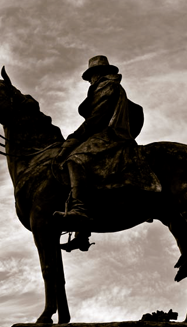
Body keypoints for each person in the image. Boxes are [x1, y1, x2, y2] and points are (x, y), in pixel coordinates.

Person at [54, 55, 142, 251]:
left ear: (100, 73)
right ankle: (81, 233)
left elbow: (97, 118)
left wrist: (75, 137)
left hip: (111, 134)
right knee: (84, 174)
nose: (91, 80)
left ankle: (80, 210)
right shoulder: (102, 87)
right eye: (90, 77)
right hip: (102, 132)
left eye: (92, 75)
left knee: (76, 160)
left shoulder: (108, 87)